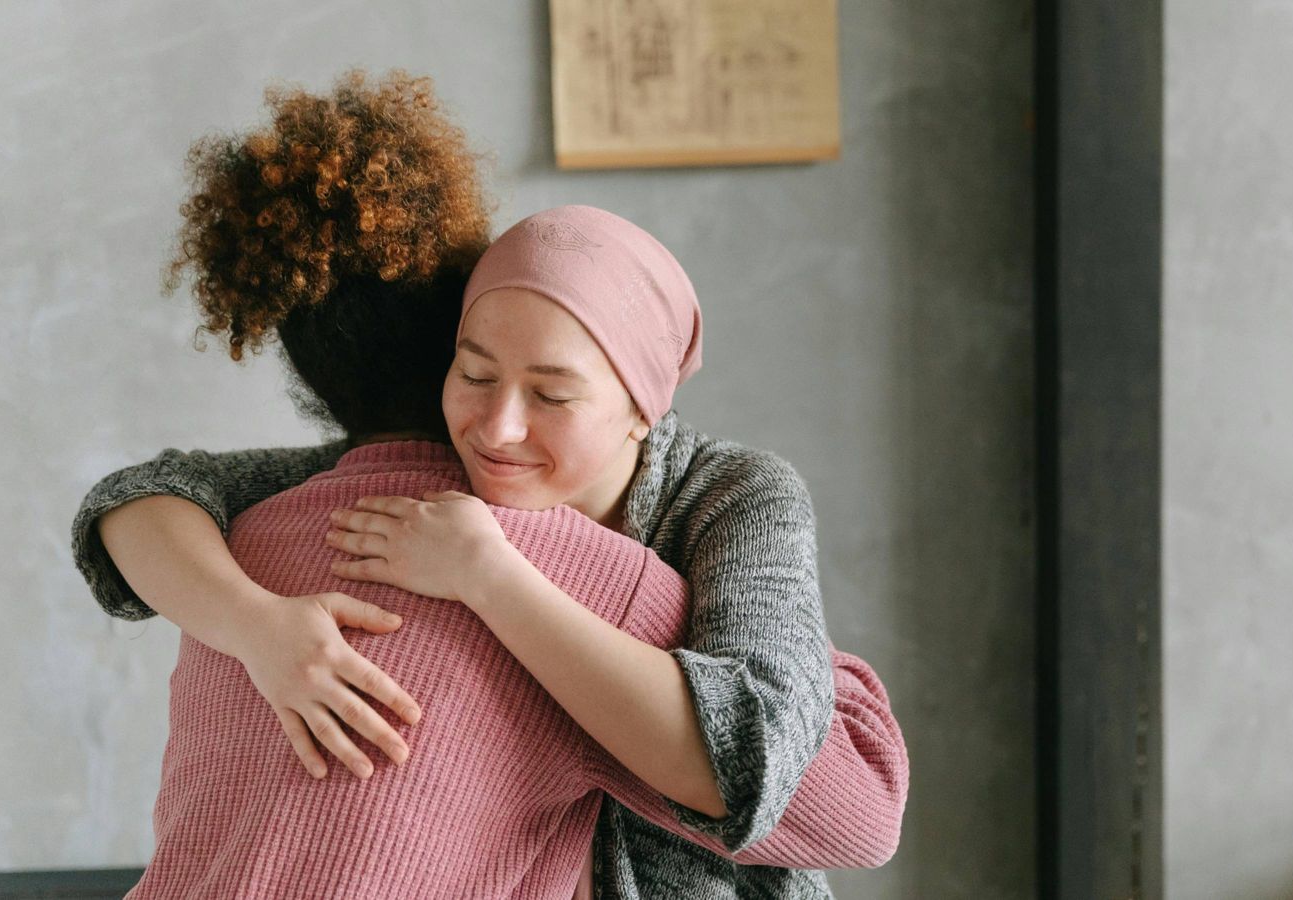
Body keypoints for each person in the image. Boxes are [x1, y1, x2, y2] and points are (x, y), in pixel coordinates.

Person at [72, 70, 907, 898]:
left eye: (551, 395)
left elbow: (807, 777)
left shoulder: (730, 498)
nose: (499, 428)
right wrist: (261, 629)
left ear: (642, 409)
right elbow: (150, 493)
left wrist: (492, 577)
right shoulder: (407, 489)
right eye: (473, 374)